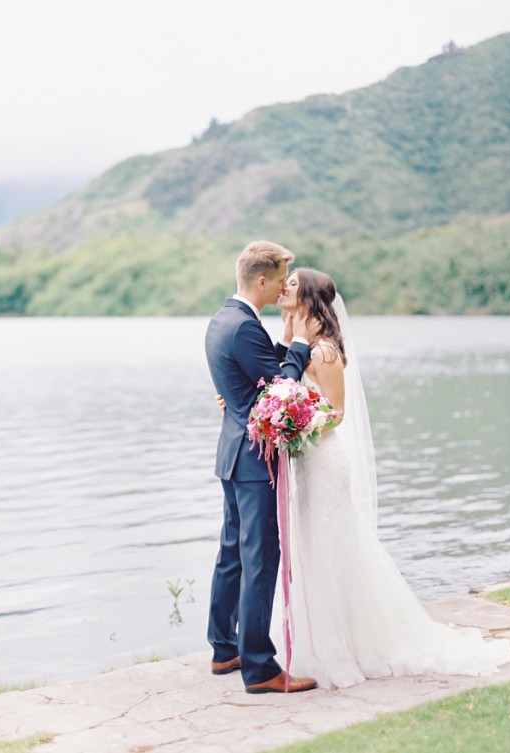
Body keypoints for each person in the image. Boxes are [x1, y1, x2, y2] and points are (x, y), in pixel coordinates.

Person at [273, 267, 510, 687]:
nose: (282, 289)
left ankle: (345, 647)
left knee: (331, 547)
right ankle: (317, 642)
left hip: (324, 461)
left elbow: (337, 413)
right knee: (311, 548)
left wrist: (297, 424)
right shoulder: (296, 346)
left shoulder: (324, 352)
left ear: (309, 297)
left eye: (291, 284)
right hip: (307, 465)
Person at [204, 241, 319, 694]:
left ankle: (223, 647)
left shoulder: (221, 320)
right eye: (279, 278)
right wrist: (301, 346)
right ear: (261, 280)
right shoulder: (244, 327)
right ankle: (259, 667)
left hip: (231, 453)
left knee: (232, 553)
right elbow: (279, 391)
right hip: (254, 461)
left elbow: (249, 379)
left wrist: (286, 342)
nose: (281, 287)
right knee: (259, 558)